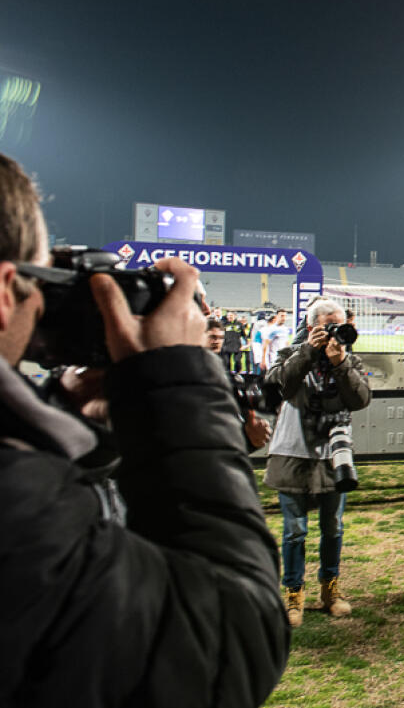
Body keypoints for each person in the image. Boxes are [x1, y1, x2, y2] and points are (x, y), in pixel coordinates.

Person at [0, 153, 288, 705]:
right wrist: (176, 386)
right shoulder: (17, 508)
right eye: (42, 282)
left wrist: (65, 415)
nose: (43, 307)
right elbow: (228, 637)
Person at [264, 297, 371, 627]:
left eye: (341, 325)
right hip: (293, 453)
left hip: (332, 456)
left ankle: (330, 590)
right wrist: (308, 352)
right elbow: (278, 386)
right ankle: (293, 594)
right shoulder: (292, 352)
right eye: (328, 326)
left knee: (333, 527)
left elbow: (360, 399)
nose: (336, 332)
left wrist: (340, 364)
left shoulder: (347, 358)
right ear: (312, 328)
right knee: (295, 530)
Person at [205, 316, 272, 450]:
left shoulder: (221, 362)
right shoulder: (191, 363)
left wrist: (250, 419)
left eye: (220, 338)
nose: (216, 341)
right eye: (212, 337)